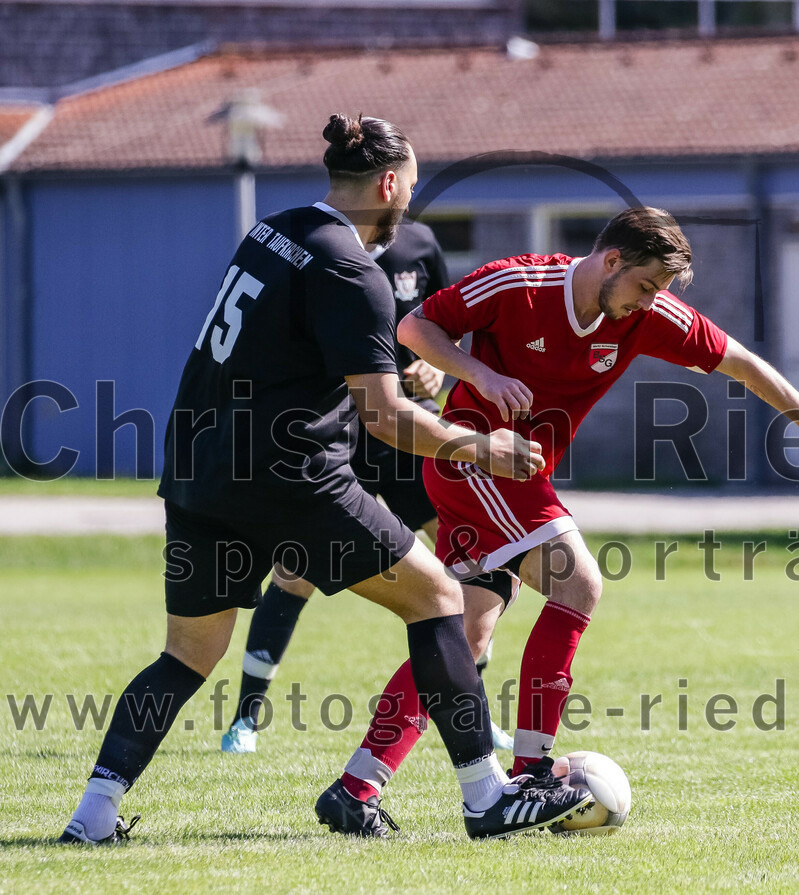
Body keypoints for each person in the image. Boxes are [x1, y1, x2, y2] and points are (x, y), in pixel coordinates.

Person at [58, 113, 591, 845]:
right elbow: (386, 418)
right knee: (439, 597)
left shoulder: (271, 231)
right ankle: (485, 795)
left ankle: (93, 814)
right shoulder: (352, 269)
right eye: (411, 189)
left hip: (199, 469)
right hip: (292, 477)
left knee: (187, 654)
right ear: (390, 183)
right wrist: (483, 448)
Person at [333, 206, 799, 823]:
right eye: (645, 286)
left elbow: (741, 362)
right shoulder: (518, 284)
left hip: (520, 475)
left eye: (659, 293)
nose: (649, 303)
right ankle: (533, 774)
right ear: (612, 260)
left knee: (462, 630)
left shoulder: (645, 315)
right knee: (579, 581)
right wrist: (481, 373)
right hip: (473, 459)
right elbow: (417, 328)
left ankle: (357, 787)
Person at [220, 221, 514, 754]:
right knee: (295, 574)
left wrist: (433, 368)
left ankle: (475, 710)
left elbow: (437, 327)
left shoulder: (422, 243)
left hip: (410, 437)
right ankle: (246, 718)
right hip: (340, 434)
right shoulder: (322, 249)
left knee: (475, 563)